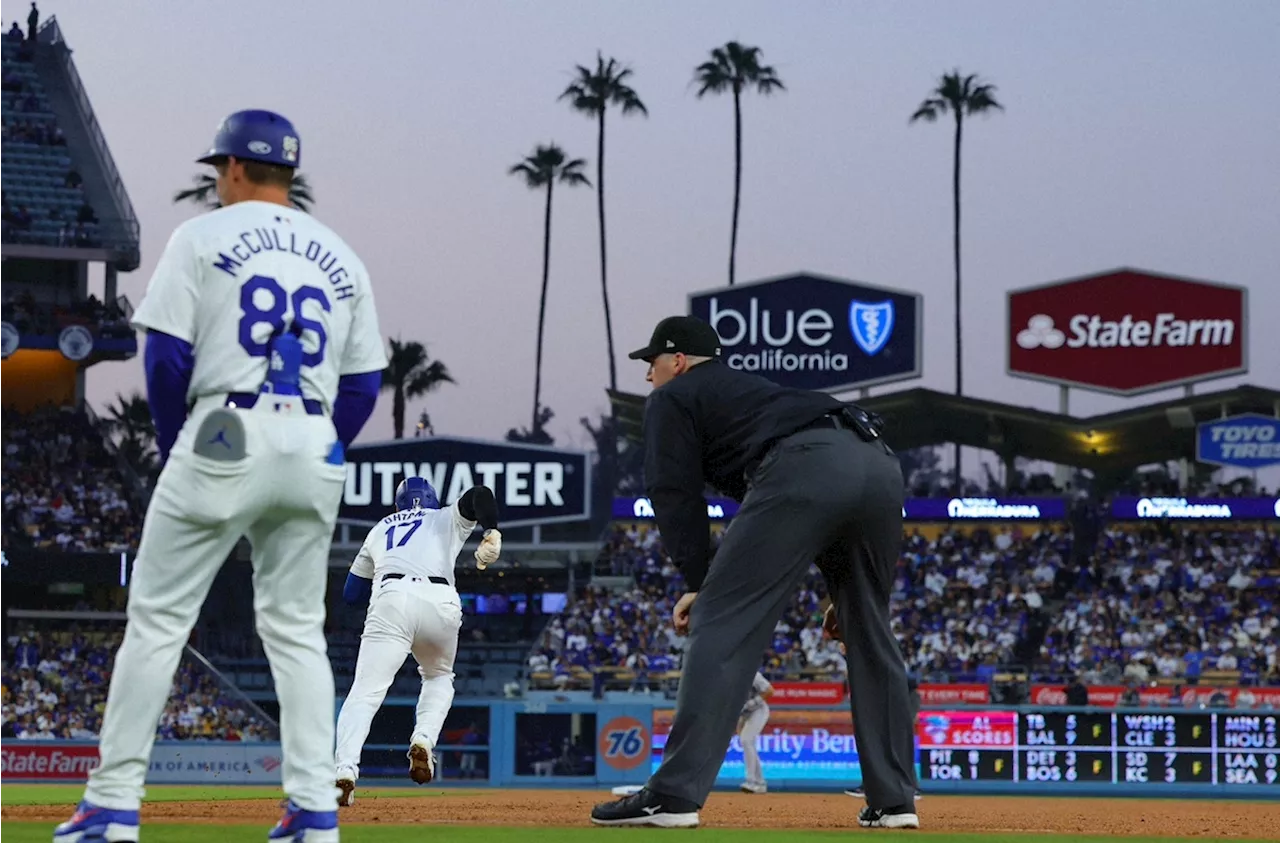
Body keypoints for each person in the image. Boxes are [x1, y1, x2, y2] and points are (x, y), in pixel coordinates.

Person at [54, 109, 386, 843]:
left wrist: (180, 446)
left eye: (219, 170)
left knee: (159, 621)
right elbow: (365, 382)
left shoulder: (202, 234)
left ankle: (110, 807)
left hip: (225, 426)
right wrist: (321, 440)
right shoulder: (340, 253)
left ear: (233, 168)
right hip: (314, 439)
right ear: (288, 174)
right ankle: (314, 812)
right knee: (298, 632)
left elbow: (167, 356)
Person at [590, 316, 917, 830]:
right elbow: (821, 494)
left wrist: (700, 582)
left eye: (651, 364)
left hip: (804, 462)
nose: (648, 377)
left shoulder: (673, 396)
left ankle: (673, 797)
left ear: (677, 361)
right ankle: (896, 801)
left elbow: (673, 493)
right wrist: (840, 594)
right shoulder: (755, 392)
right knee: (868, 629)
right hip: (878, 461)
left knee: (721, 619)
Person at [333, 476, 502, 806]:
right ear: (434, 500)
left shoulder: (380, 528)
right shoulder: (445, 516)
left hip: (391, 597)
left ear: (398, 505)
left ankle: (345, 771)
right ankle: (424, 738)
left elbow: (350, 594)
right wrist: (491, 530)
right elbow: (481, 495)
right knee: (439, 676)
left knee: (365, 692)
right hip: (440, 599)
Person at [737, 671, 774, 794]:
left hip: (759, 710)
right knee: (747, 742)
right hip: (744, 714)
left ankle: (751, 781)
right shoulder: (727, 677)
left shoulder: (752, 673)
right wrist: (739, 723)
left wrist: (752, 702)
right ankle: (760, 782)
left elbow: (770, 690)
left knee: (746, 740)